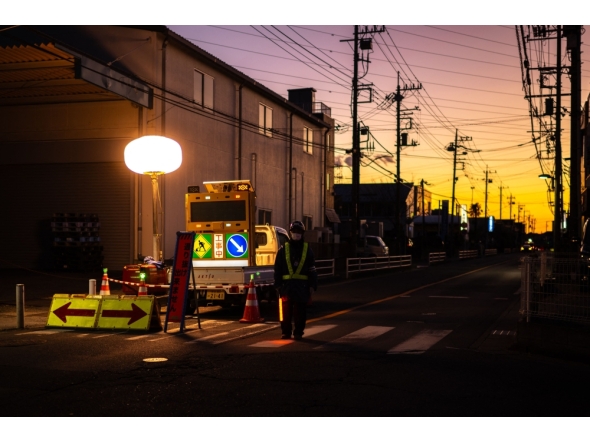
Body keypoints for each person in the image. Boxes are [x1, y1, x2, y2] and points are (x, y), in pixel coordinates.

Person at [274, 220, 318, 340]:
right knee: (285, 313)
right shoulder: (283, 250)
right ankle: (286, 332)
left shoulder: (307, 249)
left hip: (302, 287)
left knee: (300, 312)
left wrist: (312, 285)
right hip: (286, 287)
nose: (296, 234)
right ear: (291, 232)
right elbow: (277, 269)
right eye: (294, 231)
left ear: (302, 233)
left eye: (299, 232)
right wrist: (278, 285)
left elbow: (312, 269)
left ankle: (298, 333)